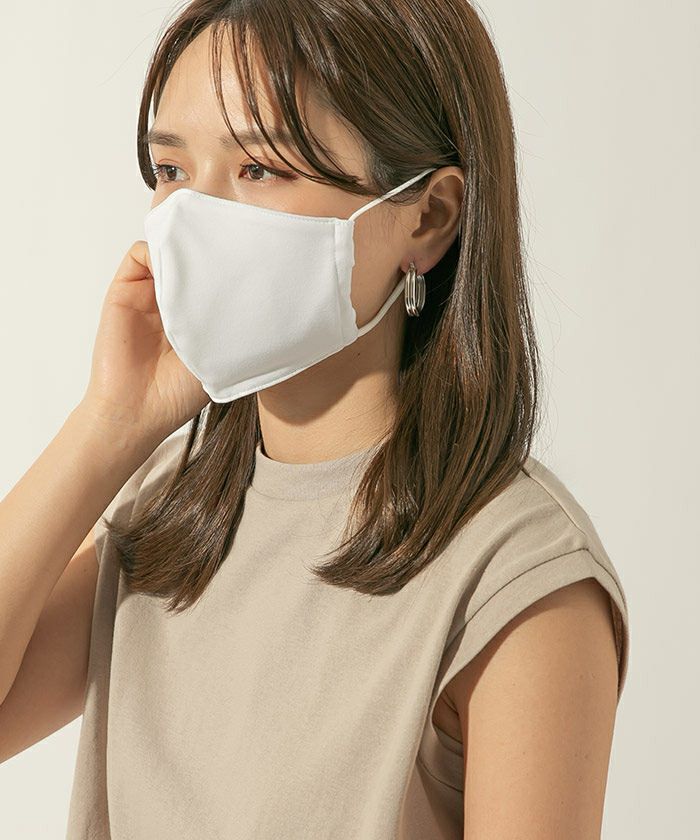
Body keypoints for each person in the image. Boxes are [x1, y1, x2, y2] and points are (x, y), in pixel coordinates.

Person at [0, 1, 630, 838]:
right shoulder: (170, 513)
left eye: (261, 168)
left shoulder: (518, 577)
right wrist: (109, 424)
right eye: (172, 169)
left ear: (428, 218)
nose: (193, 219)